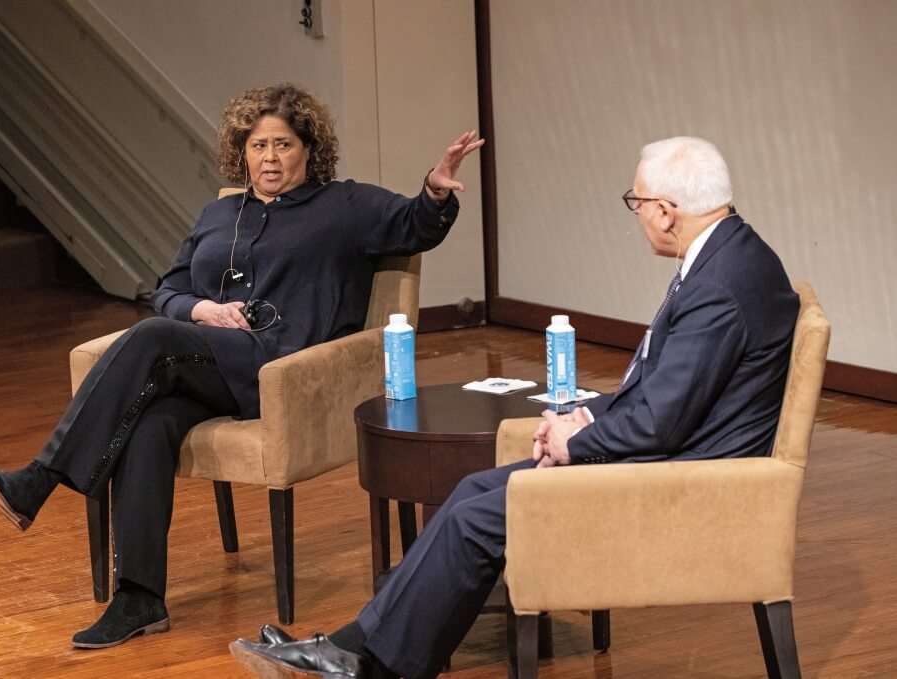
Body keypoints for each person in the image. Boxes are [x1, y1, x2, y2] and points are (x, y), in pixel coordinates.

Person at [229, 136, 801, 679]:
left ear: (666, 210)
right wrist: (585, 417)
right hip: (676, 455)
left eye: (637, 202)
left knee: (477, 517)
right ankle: (354, 652)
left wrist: (577, 442)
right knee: (474, 490)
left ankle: (365, 662)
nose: (637, 214)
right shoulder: (728, 255)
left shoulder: (720, 285)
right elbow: (663, 395)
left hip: (684, 484)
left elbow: (660, 420)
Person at [0, 82, 484, 650]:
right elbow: (168, 290)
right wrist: (202, 308)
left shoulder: (345, 206)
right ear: (242, 151)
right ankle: (139, 599)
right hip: (211, 360)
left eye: (284, 145)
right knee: (151, 420)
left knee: (153, 340)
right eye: (259, 145)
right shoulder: (219, 214)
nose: (270, 157)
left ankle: (41, 479)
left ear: (309, 150)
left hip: (285, 371)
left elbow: (415, 225)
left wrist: (435, 192)